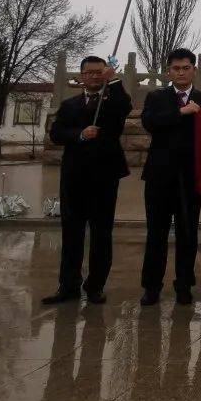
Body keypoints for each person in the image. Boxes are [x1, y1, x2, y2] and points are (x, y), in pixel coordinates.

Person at [42, 56, 132, 305]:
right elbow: (57, 133)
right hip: (74, 176)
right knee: (72, 233)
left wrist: (113, 80)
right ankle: (67, 285)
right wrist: (80, 134)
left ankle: (95, 286)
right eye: (89, 72)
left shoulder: (112, 101)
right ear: (81, 75)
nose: (94, 76)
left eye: (98, 72)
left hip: (104, 176)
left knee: (101, 234)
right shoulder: (69, 104)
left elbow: (125, 106)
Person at [140, 48, 201, 306]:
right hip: (159, 176)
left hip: (190, 179)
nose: (181, 72)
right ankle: (151, 286)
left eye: (186, 68)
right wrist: (181, 112)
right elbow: (150, 123)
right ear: (168, 71)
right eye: (176, 68)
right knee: (156, 234)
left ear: (194, 70)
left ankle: (184, 285)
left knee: (187, 234)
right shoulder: (156, 97)